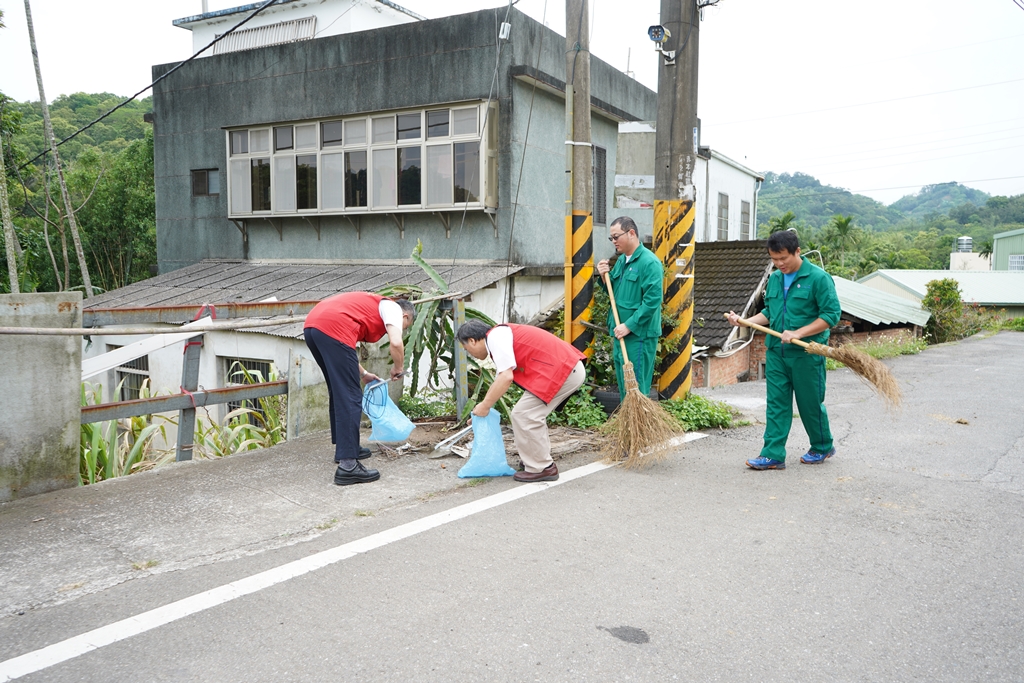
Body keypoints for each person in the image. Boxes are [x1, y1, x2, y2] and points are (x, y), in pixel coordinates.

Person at [727, 230, 842, 470]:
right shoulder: (776, 279)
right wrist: (744, 321)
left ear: (797, 252)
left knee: (809, 403)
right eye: (774, 260)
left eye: (784, 259)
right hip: (776, 352)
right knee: (777, 404)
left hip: (806, 352)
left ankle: (822, 446)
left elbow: (831, 316)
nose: (779, 264)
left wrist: (799, 333)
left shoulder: (819, 278)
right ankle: (773, 454)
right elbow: (770, 312)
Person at [304, 292, 415, 485]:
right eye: (406, 326)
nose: (402, 329)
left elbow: (344, 349)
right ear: (405, 316)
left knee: (339, 391)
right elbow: (396, 342)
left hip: (313, 327)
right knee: (350, 397)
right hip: (331, 327)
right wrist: (398, 367)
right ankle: (348, 466)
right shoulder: (394, 308)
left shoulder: (368, 307)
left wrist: (363, 374)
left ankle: (346, 449)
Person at [456, 319, 586, 482]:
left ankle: (542, 467)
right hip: (565, 368)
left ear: (472, 341)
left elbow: (506, 377)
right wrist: (483, 409)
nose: (469, 354)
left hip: (563, 370)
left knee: (525, 415)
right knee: (529, 414)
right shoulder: (499, 335)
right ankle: (536, 460)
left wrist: (485, 405)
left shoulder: (495, 337)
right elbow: (500, 381)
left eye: (466, 348)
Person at [595, 216, 664, 401]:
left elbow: (652, 301)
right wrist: (603, 277)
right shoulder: (622, 261)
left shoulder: (650, 263)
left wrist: (629, 326)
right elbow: (614, 293)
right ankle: (629, 427)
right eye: (611, 238)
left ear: (631, 233)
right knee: (625, 389)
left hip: (638, 335)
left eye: (616, 236)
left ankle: (640, 429)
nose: (613, 241)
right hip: (620, 332)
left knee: (637, 389)